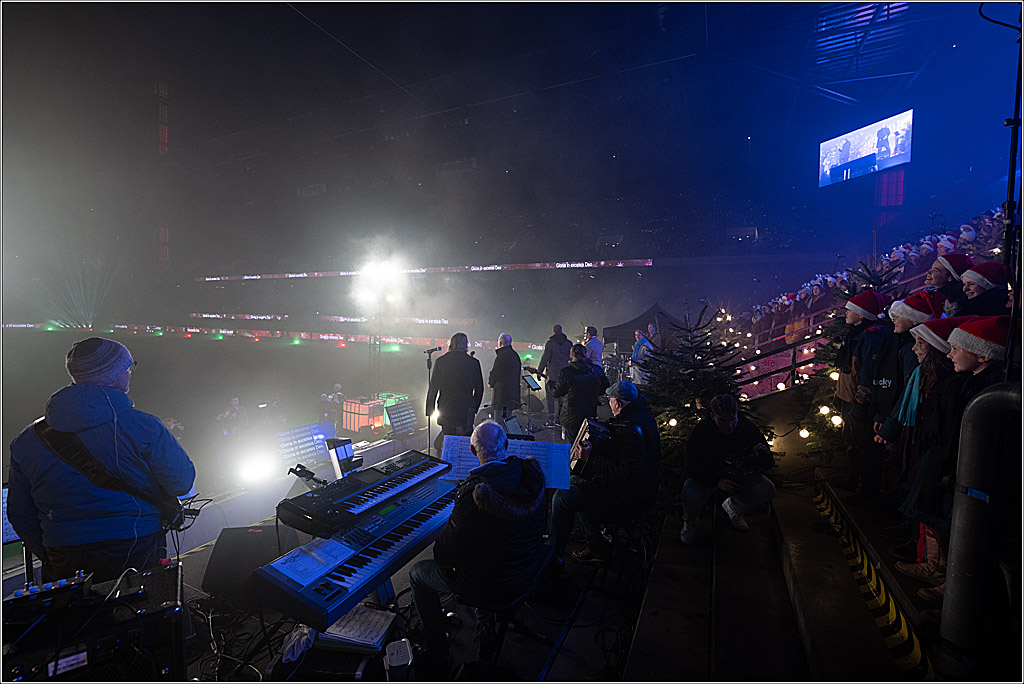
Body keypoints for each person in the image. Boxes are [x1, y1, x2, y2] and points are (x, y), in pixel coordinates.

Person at [7, 338, 196, 583]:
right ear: (112, 375)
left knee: (77, 621)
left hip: (62, 552)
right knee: (139, 615)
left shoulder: (26, 441)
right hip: (136, 544)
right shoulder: (143, 425)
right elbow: (181, 483)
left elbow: (19, 513)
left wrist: (50, 551)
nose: (130, 372)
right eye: (127, 367)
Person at [409, 421, 547, 674]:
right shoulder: (532, 476)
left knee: (418, 574)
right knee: (484, 556)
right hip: (527, 571)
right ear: (506, 445)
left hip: (491, 586)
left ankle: (438, 652)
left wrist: (452, 525)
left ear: (473, 452)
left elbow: (444, 556)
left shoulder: (475, 495)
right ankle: (484, 624)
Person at [548, 380, 660, 563]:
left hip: (629, 498)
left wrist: (591, 459)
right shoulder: (641, 417)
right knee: (576, 481)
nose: (608, 402)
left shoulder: (630, 430)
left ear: (619, 403)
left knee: (562, 497)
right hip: (637, 491)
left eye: (611, 399)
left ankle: (553, 555)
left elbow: (629, 475)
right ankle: (595, 543)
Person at [679, 394, 775, 544]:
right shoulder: (703, 432)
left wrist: (760, 455)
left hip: (738, 475)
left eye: (732, 420)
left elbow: (768, 462)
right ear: (713, 416)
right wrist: (716, 480)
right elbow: (692, 465)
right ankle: (690, 523)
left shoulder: (746, 427)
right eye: (722, 421)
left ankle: (734, 507)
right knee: (690, 491)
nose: (729, 425)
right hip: (709, 476)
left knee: (766, 489)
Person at [833, 290, 892, 502]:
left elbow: (867, 371)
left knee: (865, 447)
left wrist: (861, 398)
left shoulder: (872, 337)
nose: (846, 313)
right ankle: (854, 479)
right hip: (848, 398)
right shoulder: (855, 335)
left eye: (851, 309)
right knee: (852, 442)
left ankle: (868, 491)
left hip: (858, 402)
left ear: (862, 314)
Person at [427, 332, 484, 454]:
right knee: (465, 443)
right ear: (466, 345)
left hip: (446, 407)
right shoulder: (474, 363)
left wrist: (430, 408)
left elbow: (433, 387)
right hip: (466, 408)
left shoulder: (441, 362)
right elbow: (479, 389)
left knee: (448, 439)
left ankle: (447, 464)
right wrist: (474, 408)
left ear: (451, 344)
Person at [549, 344, 610, 442]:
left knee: (573, 447)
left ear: (571, 355)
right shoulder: (596, 370)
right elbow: (605, 387)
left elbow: (556, 392)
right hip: (590, 414)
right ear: (586, 354)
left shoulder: (566, 372)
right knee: (586, 444)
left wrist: (550, 383)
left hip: (571, 417)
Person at [537, 324, 572, 427]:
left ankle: (551, 418)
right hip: (565, 373)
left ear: (553, 332)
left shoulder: (550, 343)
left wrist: (539, 372)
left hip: (552, 374)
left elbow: (545, 359)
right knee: (563, 396)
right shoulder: (569, 343)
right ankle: (560, 418)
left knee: (550, 397)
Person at [487, 333, 522, 419]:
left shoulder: (501, 356)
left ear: (500, 343)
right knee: (508, 419)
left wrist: (490, 382)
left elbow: (496, 372)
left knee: (499, 421)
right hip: (512, 395)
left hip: (501, 396)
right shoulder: (515, 355)